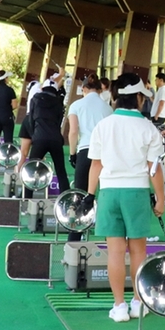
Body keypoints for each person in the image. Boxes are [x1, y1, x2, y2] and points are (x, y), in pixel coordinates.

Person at [85, 73, 165, 322]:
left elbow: (96, 165)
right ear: (139, 97)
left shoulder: (104, 125)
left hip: (108, 192)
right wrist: (160, 199)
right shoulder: (148, 127)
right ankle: (138, 303)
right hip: (137, 192)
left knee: (115, 252)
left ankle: (119, 306)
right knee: (138, 250)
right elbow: (154, 168)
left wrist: (90, 194)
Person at [66, 74, 113, 242]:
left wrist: (72, 153)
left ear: (84, 89)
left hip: (85, 150)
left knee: (80, 193)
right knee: (105, 193)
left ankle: (75, 237)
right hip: (105, 153)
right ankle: (107, 234)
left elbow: (73, 132)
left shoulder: (76, 105)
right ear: (100, 90)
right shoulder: (108, 109)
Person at [19, 70, 70, 196]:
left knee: (32, 168)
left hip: (40, 138)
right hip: (55, 139)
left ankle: (26, 196)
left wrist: (34, 135)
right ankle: (65, 197)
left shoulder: (35, 99)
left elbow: (31, 119)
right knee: (60, 170)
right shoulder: (58, 102)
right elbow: (59, 121)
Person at [0, 71, 18, 142]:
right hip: (7, 116)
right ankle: (7, 152)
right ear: (5, 79)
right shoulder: (10, 90)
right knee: (8, 139)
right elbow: (14, 105)